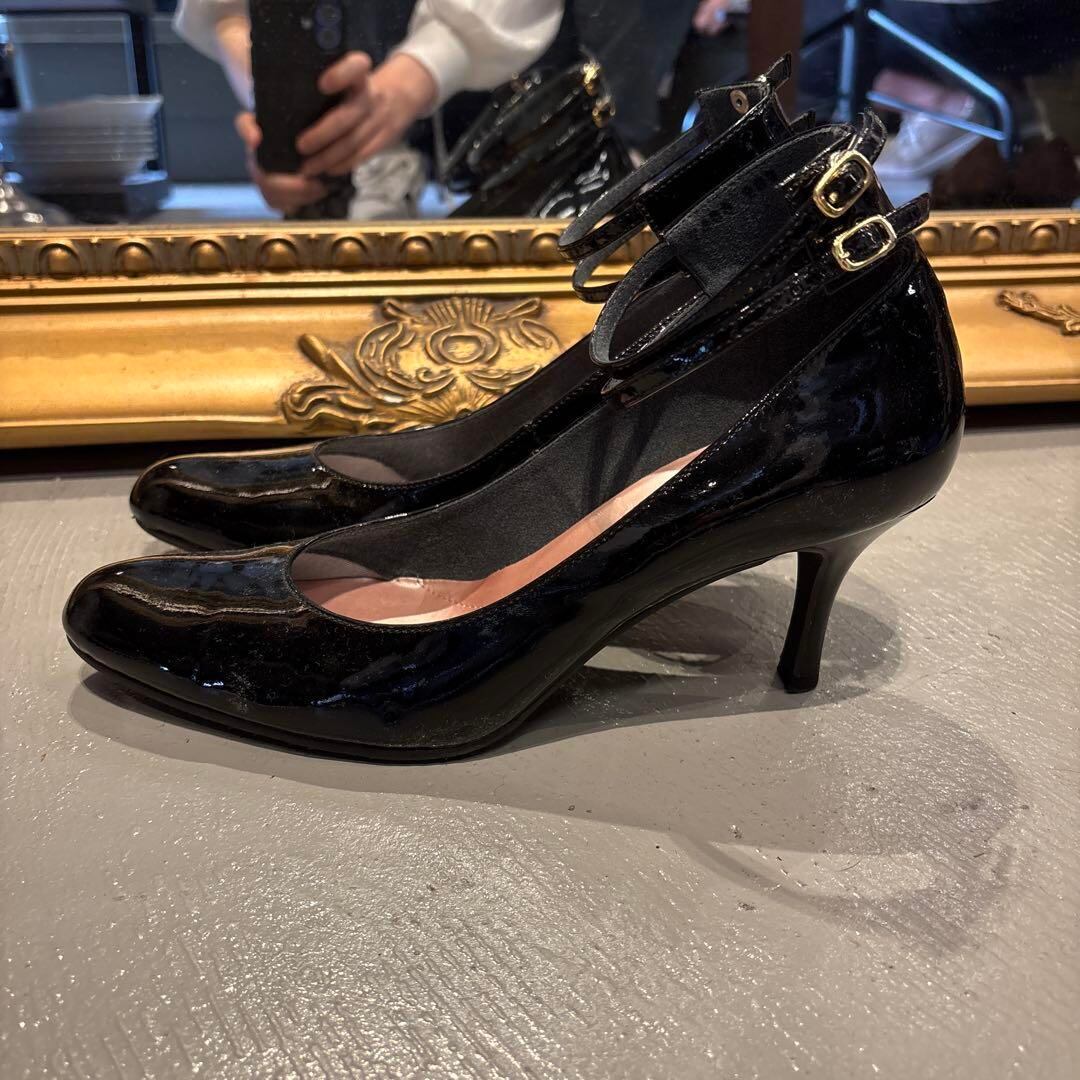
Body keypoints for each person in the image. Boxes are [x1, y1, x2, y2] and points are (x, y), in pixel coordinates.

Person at [173, 0, 563, 218]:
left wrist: (409, 82)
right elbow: (227, 17)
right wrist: (279, 114)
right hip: (337, 184)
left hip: (521, 136)